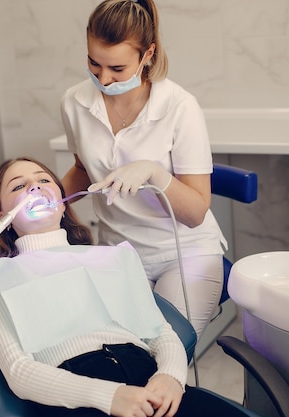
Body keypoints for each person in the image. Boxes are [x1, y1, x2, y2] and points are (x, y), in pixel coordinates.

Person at [0, 157, 255, 417]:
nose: (35, 187)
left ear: (63, 201)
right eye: (19, 186)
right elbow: (20, 372)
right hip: (78, 398)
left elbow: (161, 334)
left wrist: (170, 376)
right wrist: (109, 396)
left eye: (44, 180)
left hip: (150, 383)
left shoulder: (110, 259)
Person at [60, 0, 226, 338]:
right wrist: (45, 198)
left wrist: (156, 173)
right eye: (94, 63)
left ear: (147, 54)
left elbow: (195, 212)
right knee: (103, 347)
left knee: (161, 345)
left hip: (183, 253)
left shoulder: (179, 107)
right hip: (118, 253)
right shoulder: (74, 102)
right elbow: (83, 169)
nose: (103, 78)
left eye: (117, 69)